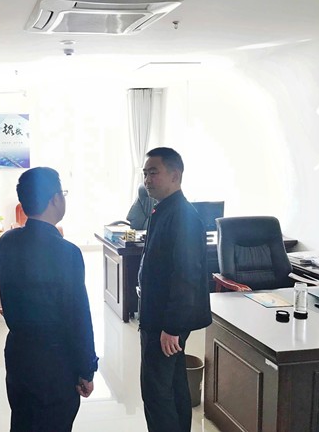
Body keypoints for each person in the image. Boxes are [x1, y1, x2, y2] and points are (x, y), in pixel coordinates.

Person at [0, 167, 99, 432]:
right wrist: (86, 368)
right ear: (55, 199)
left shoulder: (6, 243)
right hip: (54, 361)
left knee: (23, 421)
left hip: (19, 353)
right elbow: (78, 316)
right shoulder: (67, 252)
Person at [138, 147, 212, 432]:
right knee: (174, 384)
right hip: (161, 317)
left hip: (165, 322)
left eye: (153, 173)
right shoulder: (165, 210)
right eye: (145, 173)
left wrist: (172, 326)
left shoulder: (182, 216)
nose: (147, 179)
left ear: (175, 175)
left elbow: (187, 275)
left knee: (156, 392)